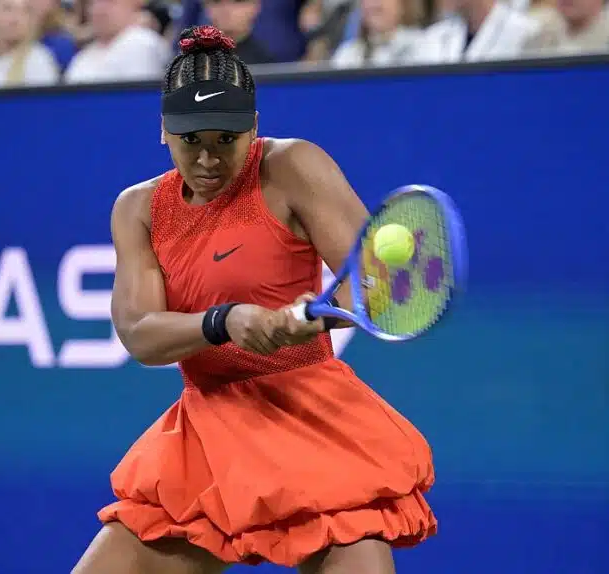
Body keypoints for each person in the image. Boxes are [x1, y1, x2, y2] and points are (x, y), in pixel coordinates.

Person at [72, 24, 437, 574]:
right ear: (164, 131)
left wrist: (314, 320)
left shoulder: (293, 167)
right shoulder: (138, 209)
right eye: (191, 140)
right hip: (207, 434)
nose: (208, 159)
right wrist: (223, 322)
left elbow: (369, 282)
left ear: (255, 127)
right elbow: (140, 333)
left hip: (314, 421)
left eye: (227, 139)